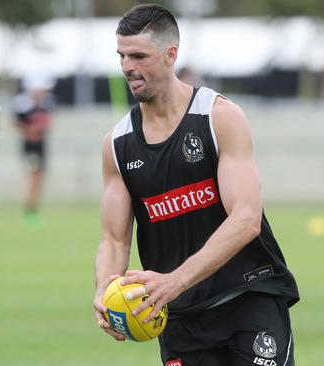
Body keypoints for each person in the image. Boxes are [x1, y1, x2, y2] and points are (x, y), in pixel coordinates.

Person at [93, 4, 299, 365]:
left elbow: (246, 219)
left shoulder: (218, 118)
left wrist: (176, 279)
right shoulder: (117, 144)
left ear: (171, 54)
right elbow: (114, 238)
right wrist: (106, 289)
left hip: (247, 297)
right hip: (179, 317)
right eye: (122, 56)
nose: (128, 67)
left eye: (139, 56)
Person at [13, 76, 55, 228]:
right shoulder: (23, 104)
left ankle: (31, 207)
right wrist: (31, 130)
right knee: (34, 176)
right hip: (31, 146)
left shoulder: (46, 103)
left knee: (38, 177)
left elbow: (49, 123)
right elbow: (17, 124)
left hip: (40, 146)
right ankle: (29, 209)